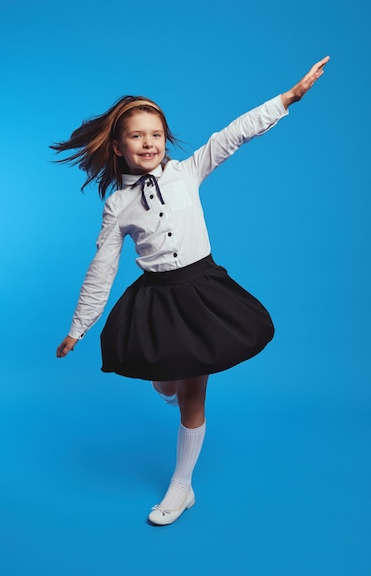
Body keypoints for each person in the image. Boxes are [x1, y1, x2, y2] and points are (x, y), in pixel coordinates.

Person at [53, 56, 330, 526]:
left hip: (202, 291)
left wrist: (287, 99)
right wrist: (79, 328)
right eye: (137, 135)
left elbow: (232, 135)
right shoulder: (117, 204)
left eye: (156, 134)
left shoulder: (186, 172)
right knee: (167, 380)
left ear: (166, 139)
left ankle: (181, 488)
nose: (149, 142)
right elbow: (101, 268)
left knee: (192, 394)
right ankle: (167, 386)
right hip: (159, 297)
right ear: (118, 146)